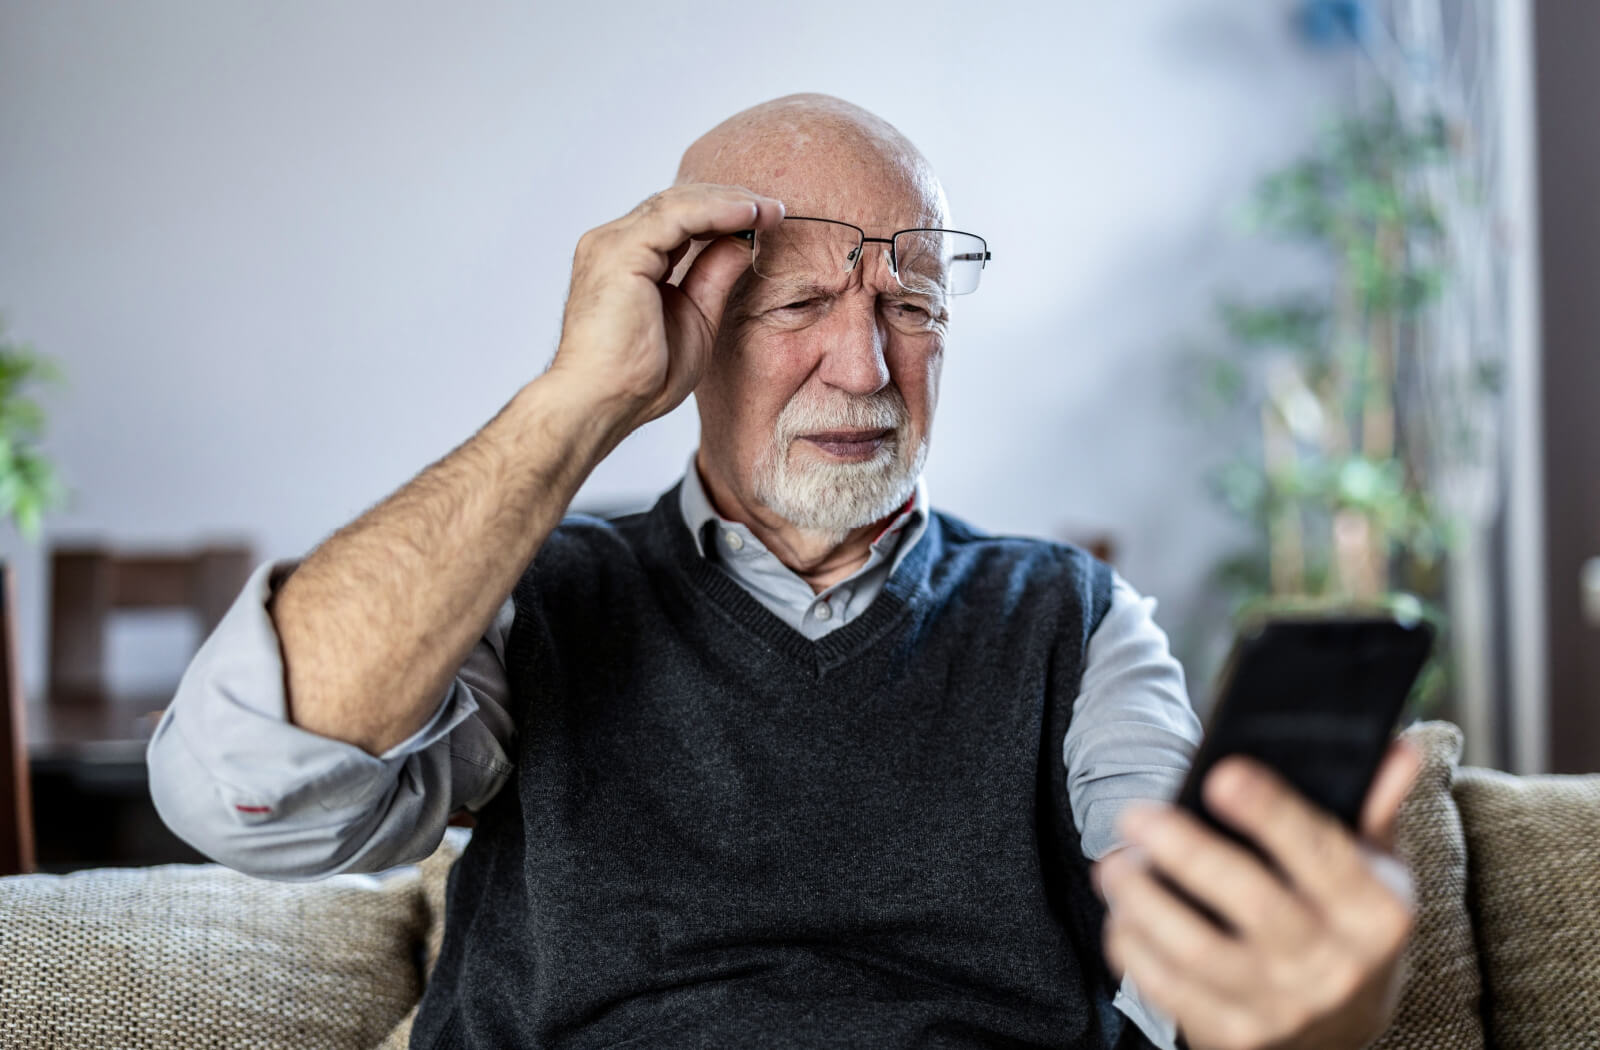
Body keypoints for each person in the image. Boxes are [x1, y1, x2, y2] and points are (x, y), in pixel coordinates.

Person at [148, 94, 1419, 1050]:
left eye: (909, 301)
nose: (867, 368)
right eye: (796, 305)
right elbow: (245, 788)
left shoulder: (1071, 622)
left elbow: (1192, 964)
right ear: (684, 334)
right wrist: (576, 403)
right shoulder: (534, 590)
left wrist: (1302, 998)